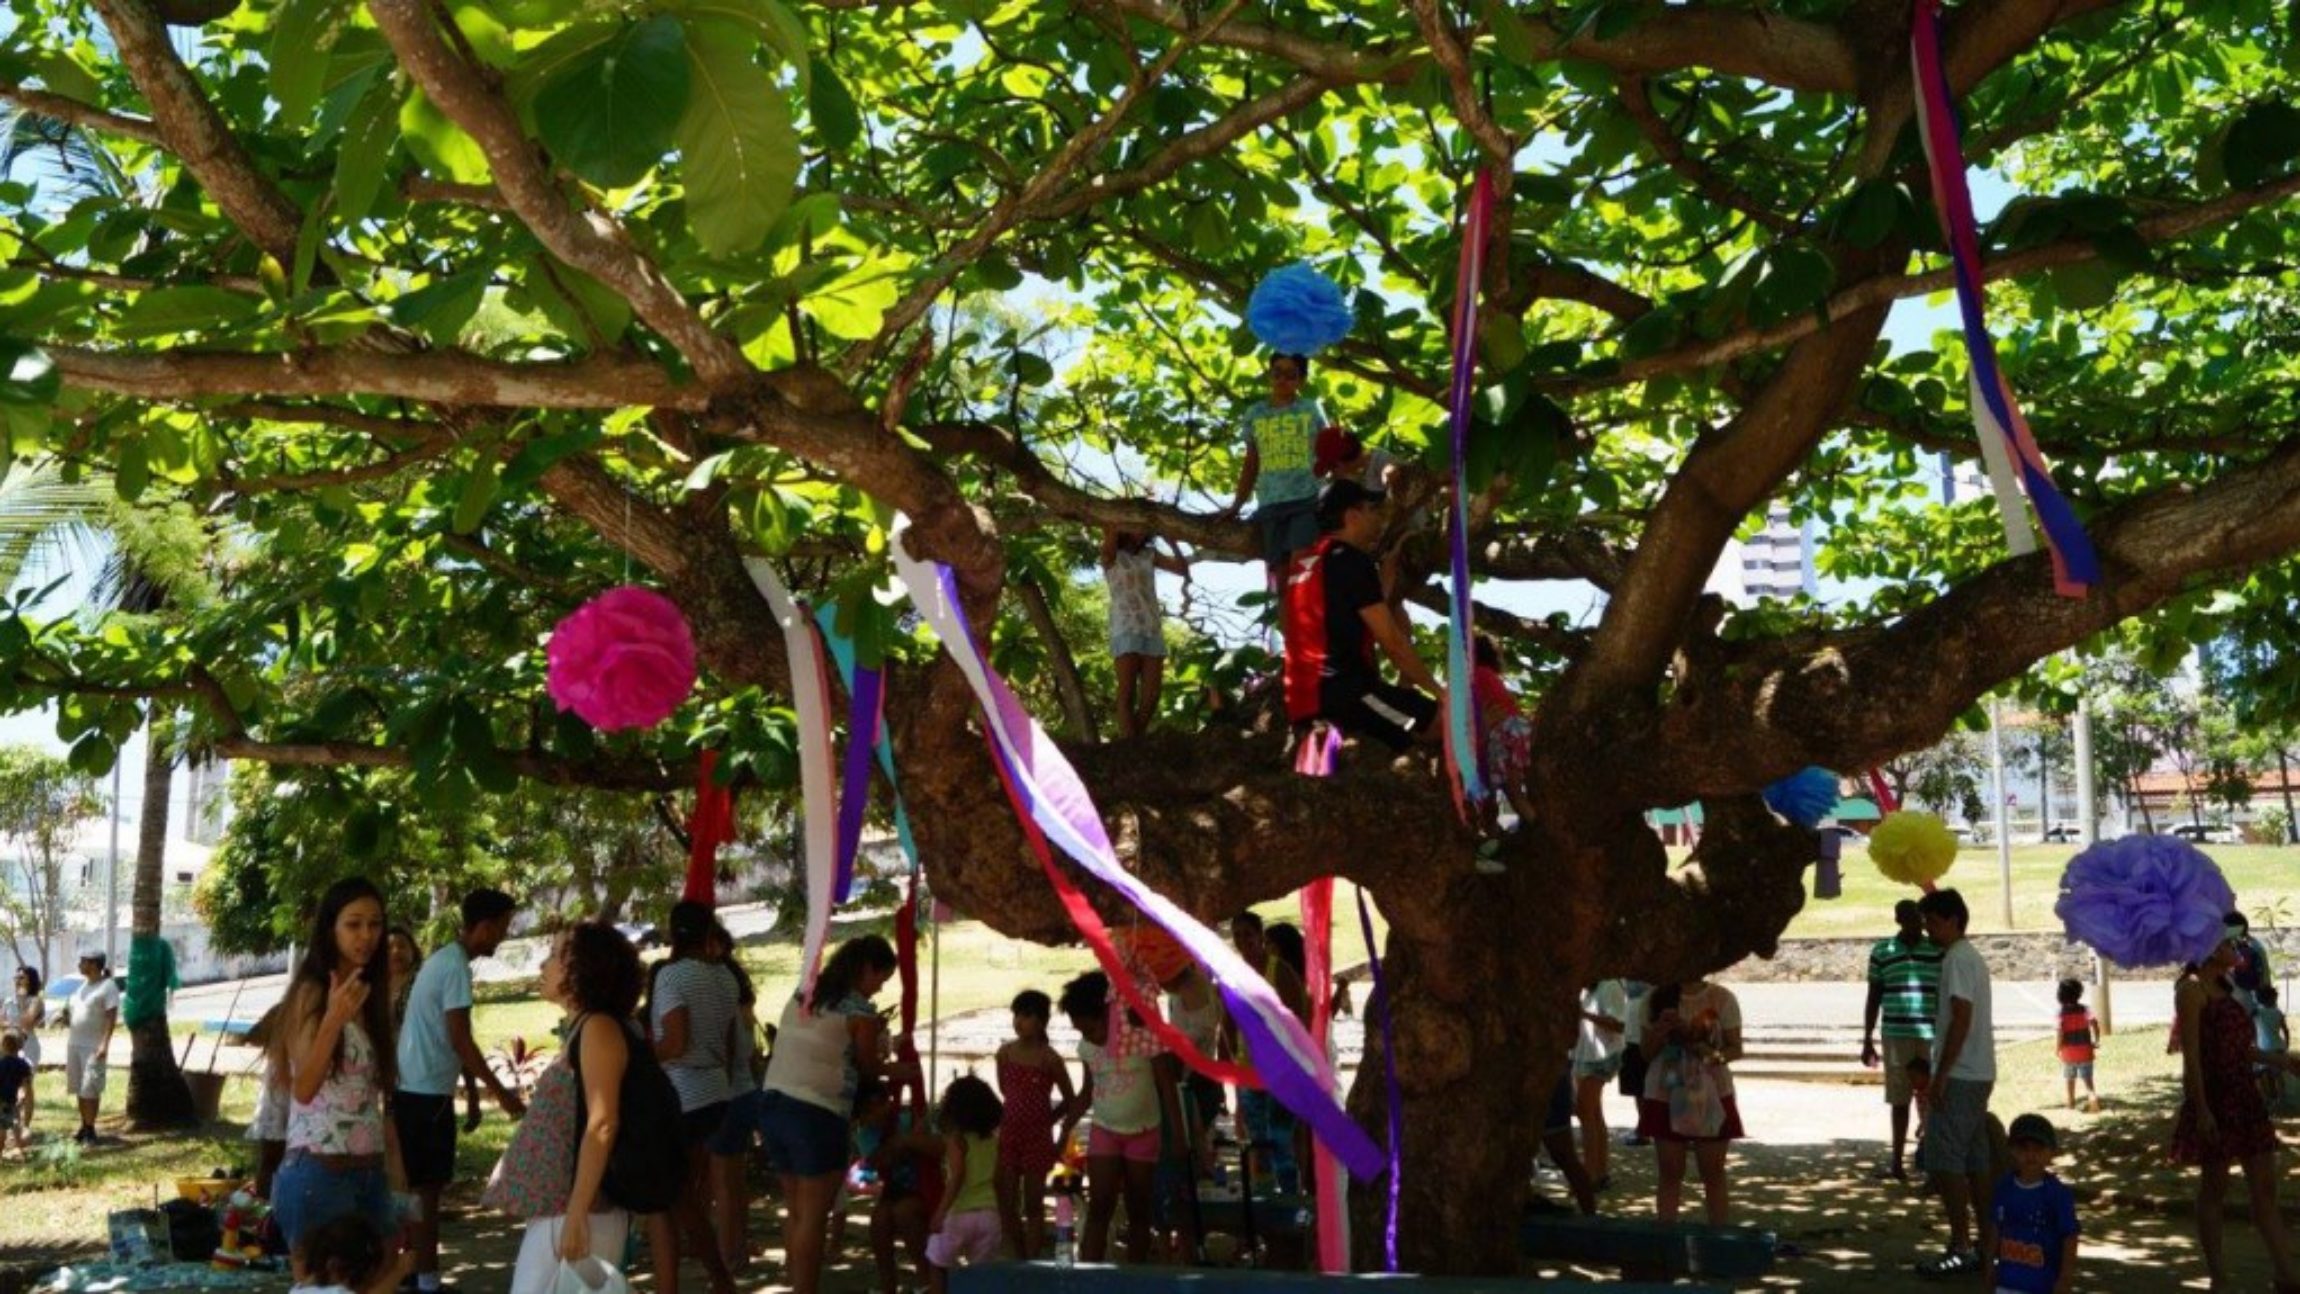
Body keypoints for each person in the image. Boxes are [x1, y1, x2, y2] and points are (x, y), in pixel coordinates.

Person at [482, 922, 644, 1294]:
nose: (544, 965)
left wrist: (576, 1212)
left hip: (582, 1212)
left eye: (556, 955)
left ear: (583, 968)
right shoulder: (588, 1027)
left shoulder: (599, 1028)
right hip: (570, 1210)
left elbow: (603, 1123)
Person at [395, 888, 525, 1294]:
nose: (502, 937)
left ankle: (416, 1275)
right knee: (426, 1194)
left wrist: (468, 1092)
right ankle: (426, 1281)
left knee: (420, 1192)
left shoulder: (447, 960)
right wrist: (500, 1093)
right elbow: (460, 1038)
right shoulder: (455, 967)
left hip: (421, 1091)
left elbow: (454, 1038)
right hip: (424, 1096)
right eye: (501, 929)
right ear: (483, 927)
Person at [759, 934, 902, 1294]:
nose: (878, 991)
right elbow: (870, 1068)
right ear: (867, 969)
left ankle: (795, 1281)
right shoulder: (860, 1012)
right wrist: (901, 1071)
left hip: (773, 1103)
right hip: (816, 1114)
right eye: (880, 980)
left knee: (795, 1210)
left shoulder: (804, 992)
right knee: (813, 1214)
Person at [275, 878, 403, 1249]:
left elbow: (374, 1096)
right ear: (330, 929)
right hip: (320, 1171)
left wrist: (397, 1177)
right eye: (353, 923)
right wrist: (332, 1021)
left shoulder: (369, 992)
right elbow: (304, 1088)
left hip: (369, 1171)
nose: (367, 935)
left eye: (375, 924)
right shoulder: (311, 993)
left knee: (384, 1277)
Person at [2177, 924, 2300, 1291]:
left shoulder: (2229, 991)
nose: (2237, 948)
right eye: (2229, 943)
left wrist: (2281, 1061)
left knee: (2264, 1189)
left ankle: (2286, 1276)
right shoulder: (2191, 991)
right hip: (2216, 1099)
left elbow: (2240, 1050)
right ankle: (2218, 1276)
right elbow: (2193, 1059)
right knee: (2214, 1188)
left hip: (2245, 1097)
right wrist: (2201, 1110)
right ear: (2210, 949)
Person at [1280, 478, 1442, 753]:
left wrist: (1384, 576)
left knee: (1405, 738)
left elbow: (1344, 608)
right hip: (1345, 694)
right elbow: (1392, 641)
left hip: (1303, 698)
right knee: (1450, 721)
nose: (1379, 518)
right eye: (1372, 510)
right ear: (1352, 516)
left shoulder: (1306, 561)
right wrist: (1440, 692)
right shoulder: (1351, 560)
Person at [645, 900, 742, 1294]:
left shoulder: (671, 977)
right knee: (685, 1194)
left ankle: (719, 1276)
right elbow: (731, 1042)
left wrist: (636, 1056)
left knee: (677, 1196)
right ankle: (709, 1273)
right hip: (717, 1090)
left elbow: (676, 1042)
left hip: (683, 1094)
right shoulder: (725, 979)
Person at [1060, 970, 1177, 1265]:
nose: (1086, 1037)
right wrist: (1065, 1127)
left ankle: (1134, 1276)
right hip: (1105, 1130)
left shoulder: (1143, 1035)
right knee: (1100, 1205)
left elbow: (1167, 1086)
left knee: (1139, 1208)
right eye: (1080, 1031)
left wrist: (1180, 1137)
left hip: (1144, 1131)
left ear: (1108, 1014)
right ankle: (1089, 1274)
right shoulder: (1086, 1047)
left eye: (1089, 1029)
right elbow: (1087, 1091)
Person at [1914, 887, 1997, 1280]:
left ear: (1952, 920)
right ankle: (1986, 1242)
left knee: (1945, 1159)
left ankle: (1962, 1243)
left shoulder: (1958, 961)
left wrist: (1941, 1074)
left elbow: (1960, 1016)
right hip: (1977, 1070)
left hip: (1962, 1072)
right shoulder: (1968, 958)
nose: (1927, 929)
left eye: (1932, 921)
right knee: (1975, 1159)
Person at [1636, 979, 1744, 1225]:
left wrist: (1697, 1043)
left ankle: (1718, 1239)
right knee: (1670, 1170)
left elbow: (1735, 1049)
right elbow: (1646, 1054)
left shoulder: (1722, 997)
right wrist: (1660, 1032)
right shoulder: (1653, 998)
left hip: (1713, 1093)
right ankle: (1666, 1239)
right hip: (1664, 1092)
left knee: (1713, 1171)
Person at [1224, 352, 1330, 573]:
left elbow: (1328, 451)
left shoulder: (1311, 408)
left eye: (1291, 375)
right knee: (1279, 576)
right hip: (1270, 504)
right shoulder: (1255, 413)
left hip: (1307, 500)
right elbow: (1251, 463)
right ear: (1269, 375)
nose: (1282, 380)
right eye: (1277, 373)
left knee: (1301, 569)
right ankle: (1285, 608)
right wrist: (1237, 504)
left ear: (1302, 380)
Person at [1860, 899, 1942, 1181]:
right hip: (1895, 1035)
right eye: (1907, 918)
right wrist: (1867, 1038)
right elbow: (1874, 996)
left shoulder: (1938, 950)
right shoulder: (1882, 951)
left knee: (1932, 1097)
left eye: (1917, 917)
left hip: (1931, 1033)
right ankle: (1896, 1163)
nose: (1914, 923)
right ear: (1897, 920)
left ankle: (1933, 1164)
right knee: (1899, 1099)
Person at [1226, 913, 1308, 1194]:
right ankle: (1264, 1200)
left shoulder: (1279, 971)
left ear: (1260, 936)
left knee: (1281, 1138)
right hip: (1250, 1072)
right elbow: (1226, 1023)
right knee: (1258, 1142)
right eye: (1237, 935)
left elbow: (1299, 1016)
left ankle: (1289, 1197)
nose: (1243, 940)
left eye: (1248, 933)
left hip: (1282, 1071)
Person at [994, 989, 1077, 1259]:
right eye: (1016, 1014)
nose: (1019, 1021)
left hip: (1037, 1140)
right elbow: (1005, 1090)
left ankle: (1030, 1260)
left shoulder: (1050, 1059)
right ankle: (1017, 1255)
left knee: (1033, 1203)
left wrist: (1049, 1123)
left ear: (1041, 1021)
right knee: (1006, 1201)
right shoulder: (1004, 1054)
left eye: (1027, 1016)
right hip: (1008, 1136)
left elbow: (1069, 1099)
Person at [704, 923, 765, 1272]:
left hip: (725, 1094)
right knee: (735, 1180)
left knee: (723, 1183)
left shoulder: (716, 988)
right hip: (745, 1091)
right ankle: (738, 1245)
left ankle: (728, 1255)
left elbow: (726, 1050)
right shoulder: (737, 987)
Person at [1100, 527, 1189, 739]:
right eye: (1134, 526)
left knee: (1152, 695)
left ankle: (1133, 743)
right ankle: (1132, 745)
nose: (1139, 531)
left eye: (1143, 527)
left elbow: (1182, 569)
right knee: (1127, 691)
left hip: (1151, 628)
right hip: (1125, 626)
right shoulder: (1112, 554)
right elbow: (1110, 528)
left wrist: (1173, 542)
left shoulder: (1150, 555)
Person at [854, 1075, 939, 1294]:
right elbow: (879, 1160)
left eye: (879, 1106)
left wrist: (907, 1140)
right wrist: (907, 1141)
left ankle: (928, 1279)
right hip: (894, 1191)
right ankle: (887, 1286)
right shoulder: (866, 1134)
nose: (876, 1116)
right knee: (879, 1222)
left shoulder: (908, 1117)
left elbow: (938, 1148)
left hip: (926, 1189)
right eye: (868, 1112)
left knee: (905, 1214)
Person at [1982, 1114, 2079, 1294]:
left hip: (2042, 1284)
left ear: (2051, 1152)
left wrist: (2065, 1278)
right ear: (2012, 1150)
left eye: (2038, 1149)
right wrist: (1989, 1267)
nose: (2031, 1155)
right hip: (2006, 1281)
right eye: (2024, 1148)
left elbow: (2069, 1237)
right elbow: (1995, 1228)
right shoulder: (2004, 1187)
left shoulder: (2058, 1194)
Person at [926, 1074, 1004, 1292]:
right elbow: (999, 1179)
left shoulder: (956, 1140)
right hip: (990, 1215)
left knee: (937, 1262)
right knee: (980, 1277)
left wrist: (940, 1212)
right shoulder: (994, 1142)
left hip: (959, 1213)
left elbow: (957, 1175)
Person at [1471, 634, 1539, 831]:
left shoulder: (1477, 676)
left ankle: (1532, 828)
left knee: (1509, 792)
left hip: (1504, 733)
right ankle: (1530, 826)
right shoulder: (1486, 675)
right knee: (1513, 792)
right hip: (1513, 731)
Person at [1574, 979, 1629, 1189]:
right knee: (1593, 1114)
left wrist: (1585, 1014)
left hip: (1602, 1056)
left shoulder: (1609, 986)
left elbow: (1618, 1024)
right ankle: (1600, 1172)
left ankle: (1590, 1175)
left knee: (1585, 1112)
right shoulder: (1587, 988)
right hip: (1585, 1054)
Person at [60, 950, 119, 1144]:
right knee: (78, 1087)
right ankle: (84, 1125)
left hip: (93, 1046)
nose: (80, 964)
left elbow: (111, 1017)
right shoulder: (82, 987)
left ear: (94, 964)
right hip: (74, 1044)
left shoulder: (108, 986)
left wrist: (104, 1044)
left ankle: (91, 1129)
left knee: (90, 1088)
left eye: (83, 961)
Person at [288, 1214, 409, 1294]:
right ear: (334, 1265)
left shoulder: (296, 1290)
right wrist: (398, 1272)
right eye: (364, 1282)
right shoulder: (337, 1291)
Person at [246, 1002, 291, 1197]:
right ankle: (266, 1207)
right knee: (271, 1159)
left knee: (274, 1160)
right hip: (278, 1101)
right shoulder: (291, 1008)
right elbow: (254, 1035)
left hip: (282, 1100)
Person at [2056, 978, 2100, 1113]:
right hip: (2085, 1050)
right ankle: (2093, 1101)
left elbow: (2060, 1032)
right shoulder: (2085, 1009)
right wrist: (2096, 1040)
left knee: (2069, 1079)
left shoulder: (2061, 1013)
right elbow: (2095, 1024)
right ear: (2079, 994)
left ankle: (2070, 1102)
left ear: (2060, 995)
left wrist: (2057, 1048)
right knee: (2088, 1080)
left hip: (2068, 1052)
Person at [5, 966, 41, 1121]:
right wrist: (13, 1025)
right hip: (9, 1045)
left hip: (28, 1046)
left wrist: (21, 1002)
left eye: (22, 978)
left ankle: (25, 1124)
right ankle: (11, 1122)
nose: (18, 981)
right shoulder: (8, 1000)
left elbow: (28, 1022)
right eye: (16, 977)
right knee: (9, 1084)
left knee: (26, 1084)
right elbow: (2, 1021)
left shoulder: (35, 1000)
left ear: (30, 981)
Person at [2227, 909, 2272, 1010]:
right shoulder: (2256, 945)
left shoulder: (2235, 949)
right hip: (2256, 1002)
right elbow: (2265, 977)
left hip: (2241, 1003)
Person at [2258, 984, 2290, 1106]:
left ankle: (2268, 1098)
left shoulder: (2258, 1013)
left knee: (2265, 1075)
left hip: (2264, 1048)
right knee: (2278, 1075)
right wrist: (2286, 1044)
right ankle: (2281, 1099)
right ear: (2273, 999)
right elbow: (2285, 1030)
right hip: (2278, 1046)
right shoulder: (2278, 1013)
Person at [1, 1030, 30, 1159]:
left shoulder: (0, 1063)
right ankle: (19, 1148)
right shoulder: (23, 1064)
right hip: (14, 1099)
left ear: (2, 1046)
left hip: (1, 1099)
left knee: (1, 1127)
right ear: (20, 1046)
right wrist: (22, 1094)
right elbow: (25, 1084)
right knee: (16, 1124)